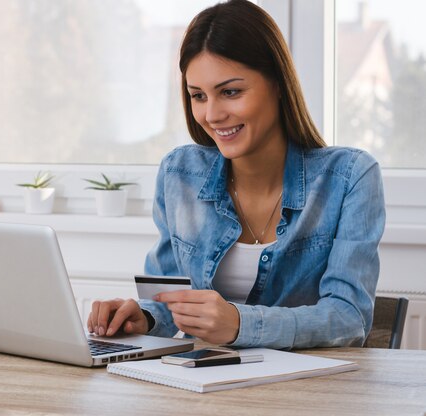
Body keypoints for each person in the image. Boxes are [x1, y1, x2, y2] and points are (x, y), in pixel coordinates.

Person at [87, 0, 385, 349]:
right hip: (202, 387)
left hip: (305, 393)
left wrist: (240, 324)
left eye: (230, 92)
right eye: (198, 96)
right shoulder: (179, 173)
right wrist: (145, 316)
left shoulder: (350, 177)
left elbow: (349, 319)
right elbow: (170, 298)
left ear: (277, 83)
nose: (212, 114)